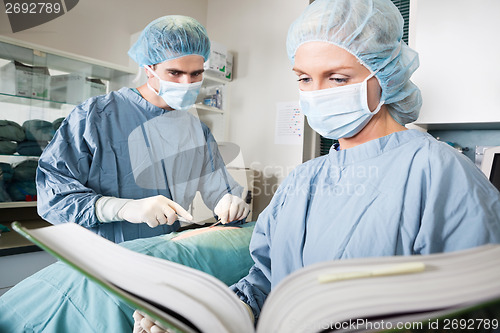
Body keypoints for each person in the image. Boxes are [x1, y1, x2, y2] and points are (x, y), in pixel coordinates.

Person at [133, 0, 500, 330]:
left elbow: (477, 315)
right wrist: (208, 315)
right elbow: (265, 283)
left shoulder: (443, 175)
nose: (319, 93)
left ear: (384, 76)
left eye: (338, 78)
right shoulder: (303, 180)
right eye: (305, 79)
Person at [36, 16, 250, 243]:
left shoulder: (197, 131)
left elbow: (218, 188)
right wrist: (119, 208)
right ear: (149, 69)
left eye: (196, 74)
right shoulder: (95, 116)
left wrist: (229, 202)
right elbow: (53, 196)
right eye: (175, 73)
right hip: (98, 258)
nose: (187, 83)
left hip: (162, 254)